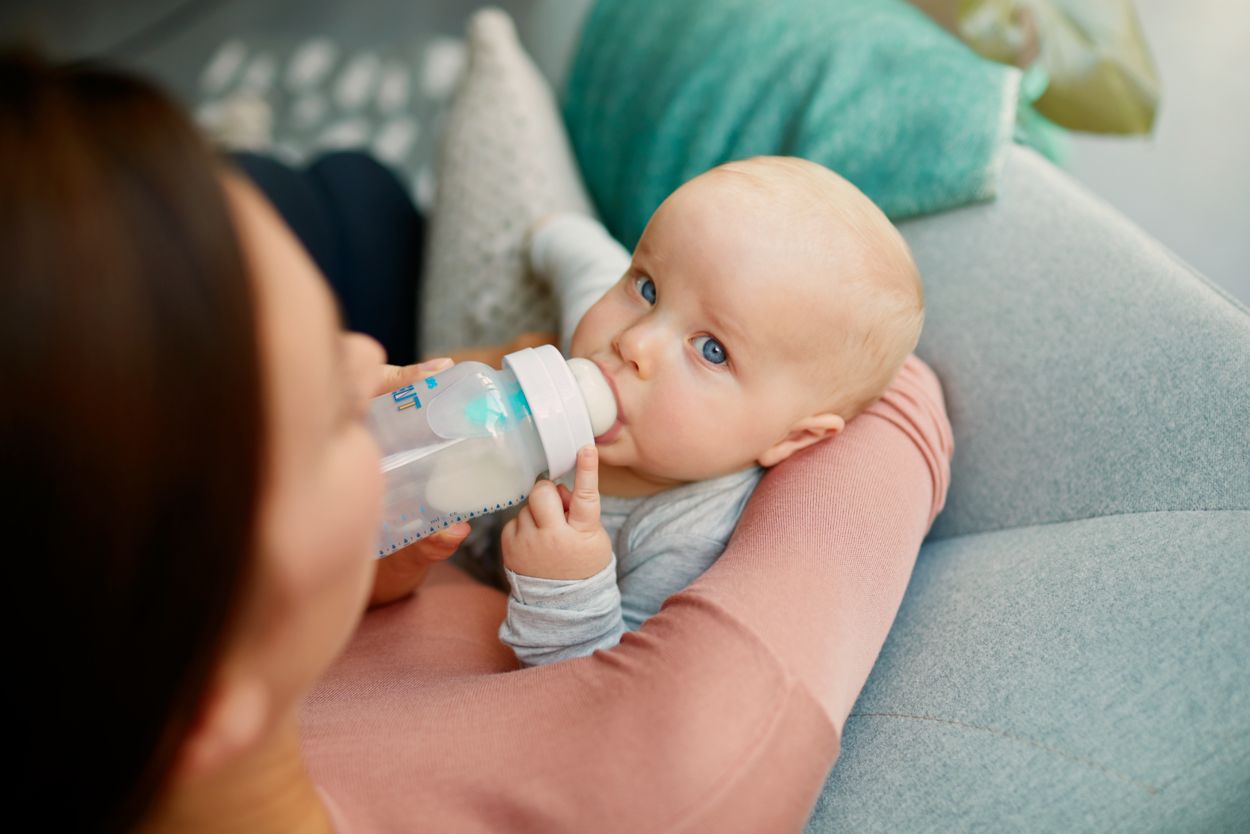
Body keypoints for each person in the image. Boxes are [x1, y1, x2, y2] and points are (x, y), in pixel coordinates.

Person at [6, 51, 952, 833]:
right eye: (307, 412)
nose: (371, 358)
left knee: (362, 196)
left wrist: (379, 567)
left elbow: (599, 270)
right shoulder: (661, 772)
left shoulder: (207, 628)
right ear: (208, 690)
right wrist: (564, 583)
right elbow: (898, 394)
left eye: (707, 349)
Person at [498, 157, 925, 665]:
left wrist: (565, 590)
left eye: (712, 350)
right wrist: (549, 235)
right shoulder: (595, 351)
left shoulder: (685, 537)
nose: (634, 341)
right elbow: (589, 264)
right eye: (648, 287)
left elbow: (612, 687)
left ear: (790, 438)